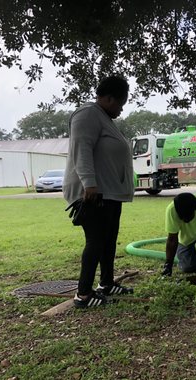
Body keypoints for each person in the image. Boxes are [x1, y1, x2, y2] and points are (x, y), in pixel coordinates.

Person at [63, 75, 135, 308]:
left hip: (110, 192)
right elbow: (81, 149)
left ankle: (106, 283)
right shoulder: (87, 114)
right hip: (94, 193)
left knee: (109, 240)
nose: (121, 110)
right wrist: (89, 183)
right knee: (95, 241)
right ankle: (83, 295)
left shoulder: (104, 117)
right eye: (120, 104)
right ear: (108, 98)